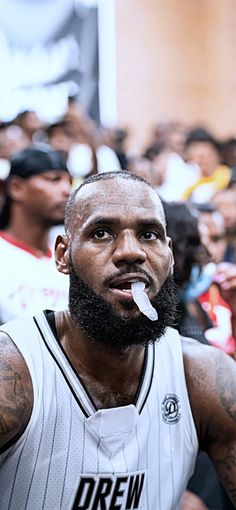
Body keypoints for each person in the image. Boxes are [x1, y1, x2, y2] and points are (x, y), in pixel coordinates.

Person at [0, 172, 236, 510]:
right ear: (63, 255)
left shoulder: (204, 376)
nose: (130, 252)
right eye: (101, 233)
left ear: (168, 255)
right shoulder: (13, 372)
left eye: (149, 234)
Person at [0, 143, 72, 324]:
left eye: (69, 182)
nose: (66, 190)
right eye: (54, 179)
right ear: (16, 188)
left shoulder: (70, 259)